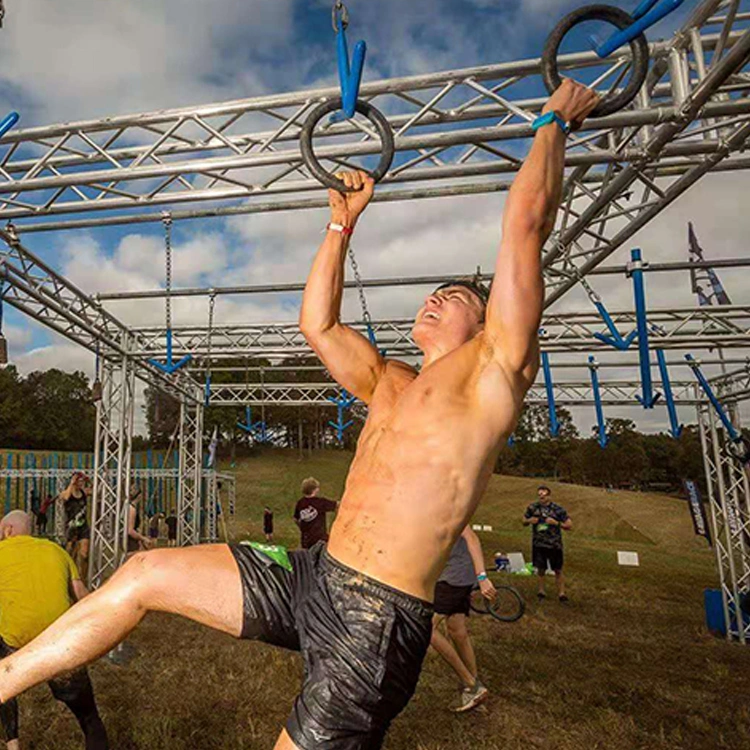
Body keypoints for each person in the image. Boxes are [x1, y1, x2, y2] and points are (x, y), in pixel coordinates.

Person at [0, 81, 599, 750]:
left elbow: (525, 222)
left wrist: (553, 120)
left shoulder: (497, 370)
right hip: (314, 574)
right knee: (142, 574)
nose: (433, 298)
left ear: (486, 320)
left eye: (452, 295)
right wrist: (340, 223)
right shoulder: (390, 380)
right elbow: (319, 324)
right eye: (432, 291)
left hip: (377, 620)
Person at [0, 511, 109, 750]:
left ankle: (12, 744)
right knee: (89, 716)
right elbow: (82, 596)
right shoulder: (56, 550)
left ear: (8, 530)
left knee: (1, 686)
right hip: (59, 642)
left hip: (15, 645)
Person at [430, 525, 496, 712]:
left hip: (455, 576)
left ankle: (470, 683)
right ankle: (474, 689)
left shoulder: (444, 502)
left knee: (426, 628)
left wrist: (482, 577)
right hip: (454, 573)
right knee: (457, 631)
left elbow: (472, 538)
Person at [523, 485, 572, 601]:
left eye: (544, 495)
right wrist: (529, 521)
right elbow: (523, 520)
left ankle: (561, 593)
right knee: (540, 568)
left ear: (549, 496)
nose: (541, 497)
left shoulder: (557, 509)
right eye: (539, 495)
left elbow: (569, 525)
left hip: (554, 544)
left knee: (558, 569)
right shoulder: (532, 508)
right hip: (539, 544)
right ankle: (541, 590)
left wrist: (556, 523)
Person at [58, 473, 91, 582]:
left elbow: (96, 491)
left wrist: (89, 479)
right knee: (70, 554)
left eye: (82, 481)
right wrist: (72, 483)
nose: (81, 483)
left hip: (83, 526)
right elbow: (66, 497)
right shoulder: (66, 493)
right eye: (79, 481)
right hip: (71, 527)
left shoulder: (84, 493)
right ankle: (69, 578)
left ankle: (83, 578)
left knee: (84, 553)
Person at [293, 478, 337, 550]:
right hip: (319, 538)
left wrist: (302, 528)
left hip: (306, 538)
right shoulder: (320, 502)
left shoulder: (300, 503)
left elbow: (295, 519)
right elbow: (336, 505)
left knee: (308, 557)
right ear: (315, 490)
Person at [126, 487, 151, 555]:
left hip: (129, 540)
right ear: (139, 496)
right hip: (130, 542)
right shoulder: (132, 509)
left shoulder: (126, 507)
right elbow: (130, 531)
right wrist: (143, 538)